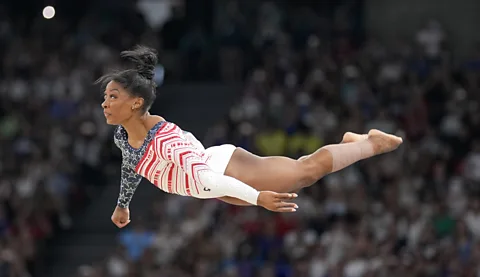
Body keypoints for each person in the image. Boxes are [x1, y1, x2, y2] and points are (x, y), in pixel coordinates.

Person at [99, 46, 403, 228]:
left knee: (306, 172)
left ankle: (369, 143)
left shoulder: (166, 140)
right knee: (302, 175)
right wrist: (123, 204)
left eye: (113, 96)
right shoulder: (123, 137)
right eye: (105, 97)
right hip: (209, 187)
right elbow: (131, 165)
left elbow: (205, 177)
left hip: (224, 170)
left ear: (136, 102)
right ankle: (350, 144)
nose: (104, 103)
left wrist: (258, 198)